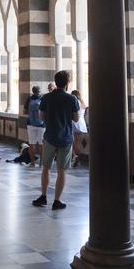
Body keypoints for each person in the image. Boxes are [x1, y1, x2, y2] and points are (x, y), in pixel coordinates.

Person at [32, 70, 79, 210]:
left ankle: (44, 196)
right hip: (65, 137)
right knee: (61, 170)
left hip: (50, 136)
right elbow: (76, 118)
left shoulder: (46, 98)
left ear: (56, 81)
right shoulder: (72, 99)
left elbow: (41, 116)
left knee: (46, 167)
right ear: (67, 83)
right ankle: (57, 200)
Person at [23, 86, 44, 168]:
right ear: (40, 91)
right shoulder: (43, 99)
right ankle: (41, 163)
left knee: (32, 144)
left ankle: (32, 163)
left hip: (31, 124)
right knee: (42, 144)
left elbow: (24, 112)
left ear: (32, 91)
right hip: (42, 124)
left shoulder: (29, 99)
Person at [71, 89, 88, 167]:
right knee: (78, 144)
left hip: (75, 124)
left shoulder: (74, 102)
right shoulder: (83, 103)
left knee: (74, 144)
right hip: (82, 124)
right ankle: (77, 158)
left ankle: (76, 157)